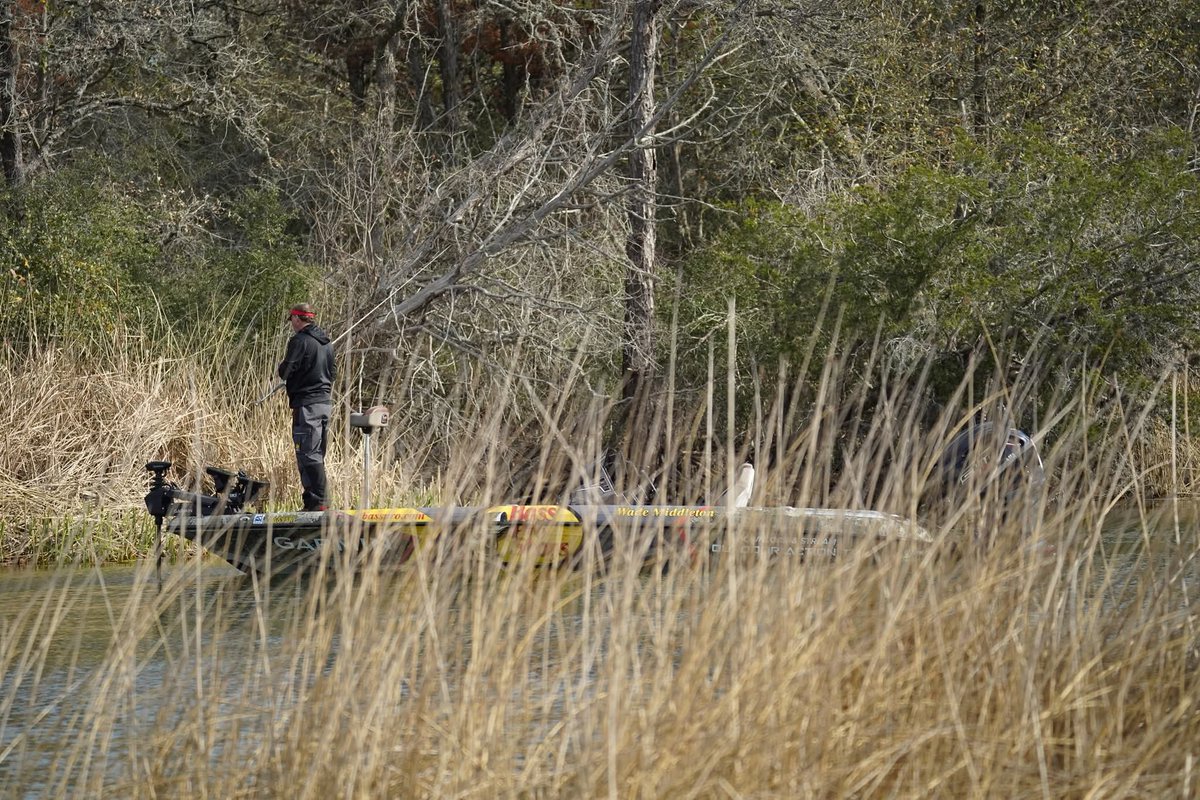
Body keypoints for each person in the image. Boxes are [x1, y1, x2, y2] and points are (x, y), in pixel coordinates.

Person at [277, 303, 336, 511]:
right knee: (317, 452)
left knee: (307, 453)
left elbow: (285, 371)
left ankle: (319, 502)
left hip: (307, 406)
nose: (291, 324)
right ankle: (314, 502)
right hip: (325, 404)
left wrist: (283, 370)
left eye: (291, 319)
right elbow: (333, 373)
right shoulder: (327, 343)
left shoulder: (299, 341)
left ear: (297, 318)